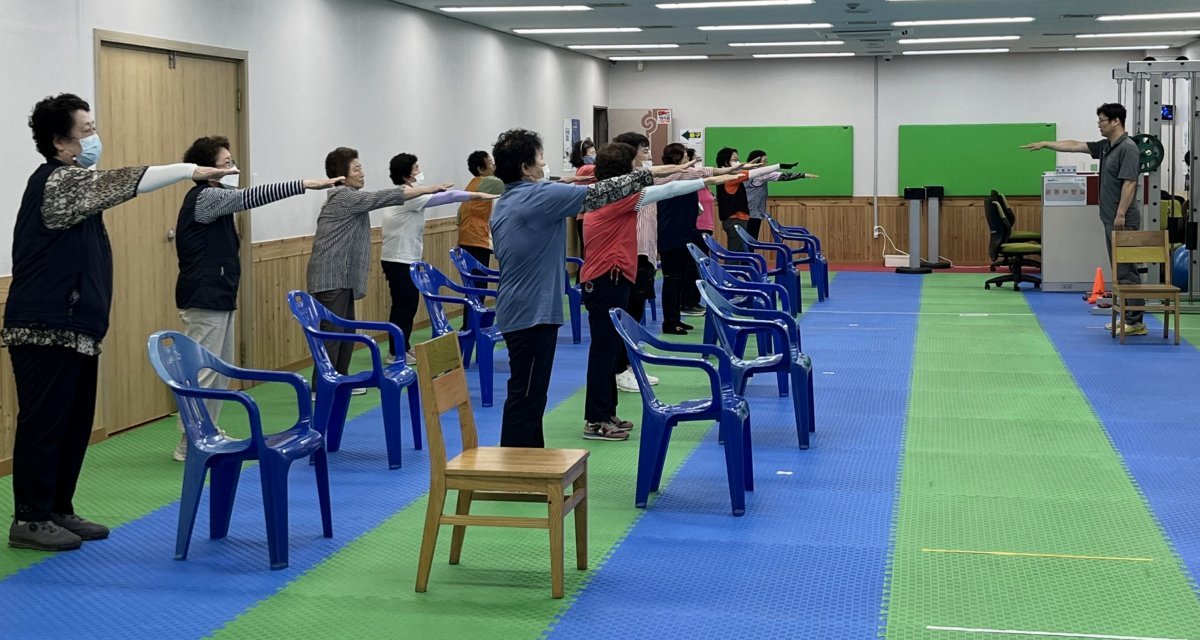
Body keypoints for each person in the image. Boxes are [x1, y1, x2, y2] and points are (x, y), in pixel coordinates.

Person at [4, 93, 236, 551]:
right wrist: (189, 170)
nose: (95, 137)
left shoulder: (76, 185)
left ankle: (57, 509)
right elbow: (125, 181)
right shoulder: (57, 182)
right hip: (42, 328)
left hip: (76, 330)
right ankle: (29, 518)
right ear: (60, 141)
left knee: (73, 423)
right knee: (45, 422)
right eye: (86, 130)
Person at [489, 128, 667, 448]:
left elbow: (582, 187)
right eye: (541, 158)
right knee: (526, 395)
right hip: (530, 311)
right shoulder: (537, 196)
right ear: (526, 168)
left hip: (529, 308)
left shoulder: (513, 197)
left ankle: (530, 461)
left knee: (531, 394)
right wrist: (648, 173)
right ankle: (518, 466)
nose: (545, 164)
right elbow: (603, 192)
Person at [171, 136, 343, 461]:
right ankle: (191, 441)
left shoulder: (217, 195)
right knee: (203, 372)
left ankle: (209, 432)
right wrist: (305, 183)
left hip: (218, 293)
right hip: (203, 295)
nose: (233, 168)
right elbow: (252, 196)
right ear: (207, 169)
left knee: (218, 369)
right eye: (226, 164)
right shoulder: (206, 197)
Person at [581, 142, 732, 440]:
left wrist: (702, 174)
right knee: (603, 351)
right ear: (626, 171)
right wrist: (708, 179)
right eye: (636, 165)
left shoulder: (612, 193)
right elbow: (666, 190)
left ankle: (606, 412)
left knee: (610, 351)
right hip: (604, 280)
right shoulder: (616, 198)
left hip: (615, 277)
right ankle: (595, 421)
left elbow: (662, 181)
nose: (641, 168)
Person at [306, 147, 447, 385]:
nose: (363, 173)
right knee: (333, 334)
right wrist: (429, 189)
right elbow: (381, 197)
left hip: (342, 277)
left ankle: (339, 381)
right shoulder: (344, 196)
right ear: (342, 175)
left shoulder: (350, 197)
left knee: (346, 332)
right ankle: (323, 387)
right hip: (331, 277)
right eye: (357, 169)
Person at [1022, 103, 1145, 335]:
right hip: (1110, 218)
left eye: (1102, 120)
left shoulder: (1128, 148)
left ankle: (1135, 321)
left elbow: (1130, 183)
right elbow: (1076, 145)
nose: (1099, 124)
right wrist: (1046, 144)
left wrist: (1120, 213)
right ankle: (1127, 318)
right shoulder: (1108, 146)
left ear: (1115, 121)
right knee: (1118, 270)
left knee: (1127, 270)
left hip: (1123, 220)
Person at [379, 152, 495, 364]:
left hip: (404, 258)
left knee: (407, 305)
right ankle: (395, 352)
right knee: (404, 306)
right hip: (398, 259)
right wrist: (477, 196)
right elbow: (447, 197)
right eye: (416, 168)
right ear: (406, 175)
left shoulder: (407, 194)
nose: (419, 171)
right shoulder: (406, 195)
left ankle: (401, 346)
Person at [655, 142, 748, 337]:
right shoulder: (671, 178)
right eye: (686, 158)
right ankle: (670, 322)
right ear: (677, 160)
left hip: (686, 232)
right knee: (672, 280)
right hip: (671, 236)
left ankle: (678, 316)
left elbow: (707, 175)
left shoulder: (684, 177)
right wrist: (732, 171)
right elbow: (708, 175)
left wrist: (736, 170)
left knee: (683, 277)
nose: (690, 161)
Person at [743, 149, 818, 241]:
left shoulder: (746, 172)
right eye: (764, 162)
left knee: (747, 241)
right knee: (750, 241)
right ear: (756, 162)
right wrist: (803, 175)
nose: (766, 164)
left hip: (748, 211)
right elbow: (781, 176)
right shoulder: (758, 175)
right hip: (752, 213)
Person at [456, 150, 505, 269]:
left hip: (466, 238)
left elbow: (459, 212)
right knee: (479, 282)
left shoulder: (473, 183)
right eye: (490, 163)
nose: (494, 166)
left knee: (474, 282)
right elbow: (512, 184)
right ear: (480, 169)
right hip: (477, 240)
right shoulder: (487, 181)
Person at [568, 139, 597, 262]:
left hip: (586, 215)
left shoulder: (583, 169)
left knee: (587, 253)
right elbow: (607, 169)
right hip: (586, 216)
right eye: (591, 153)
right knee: (588, 254)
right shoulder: (586, 169)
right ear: (582, 156)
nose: (595, 155)